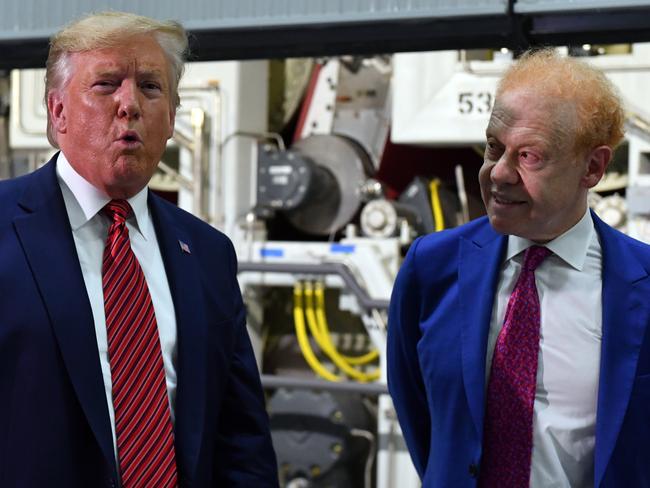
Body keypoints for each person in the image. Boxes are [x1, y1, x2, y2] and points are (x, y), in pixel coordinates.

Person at [0, 11, 278, 487]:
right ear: (57, 112)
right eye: (106, 85)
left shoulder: (208, 254)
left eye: (150, 87)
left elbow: (241, 440)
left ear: (171, 118)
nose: (129, 104)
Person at [387, 48, 650, 488]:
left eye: (529, 156)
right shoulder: (431, 268)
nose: (499, 174)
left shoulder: (640, 282)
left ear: (593, 167)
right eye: (494, 147)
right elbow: (420, 414)